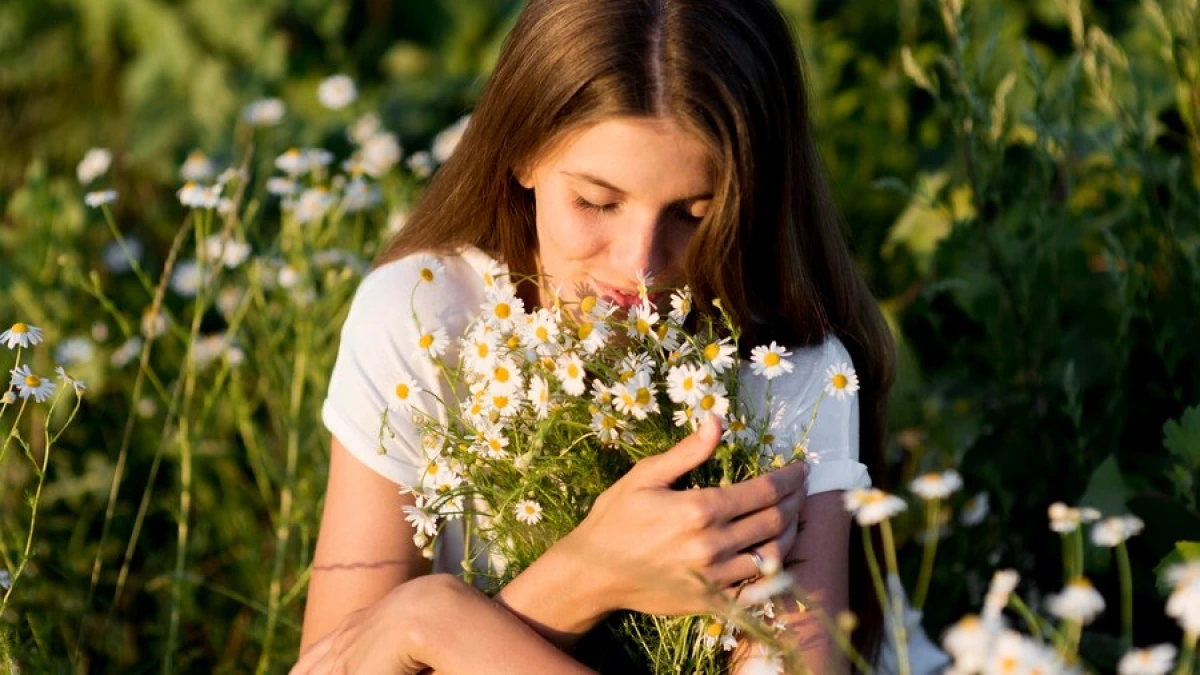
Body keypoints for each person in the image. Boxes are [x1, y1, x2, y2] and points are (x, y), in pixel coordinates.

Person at [296, 0, 898, 672]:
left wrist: (434, 624)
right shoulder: (424, 319)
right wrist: (589, 573)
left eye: (693, 216)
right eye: (597, 201)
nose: (640, 266)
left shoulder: (789, 377)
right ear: (520, 153)